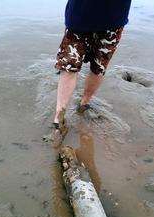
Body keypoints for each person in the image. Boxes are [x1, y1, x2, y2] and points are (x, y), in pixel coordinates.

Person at [51, 0, 132, 147]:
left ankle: (84, 103)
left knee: (98, 68)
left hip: (114, 18)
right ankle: (59, 118)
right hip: (80, 15)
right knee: (69, 65)